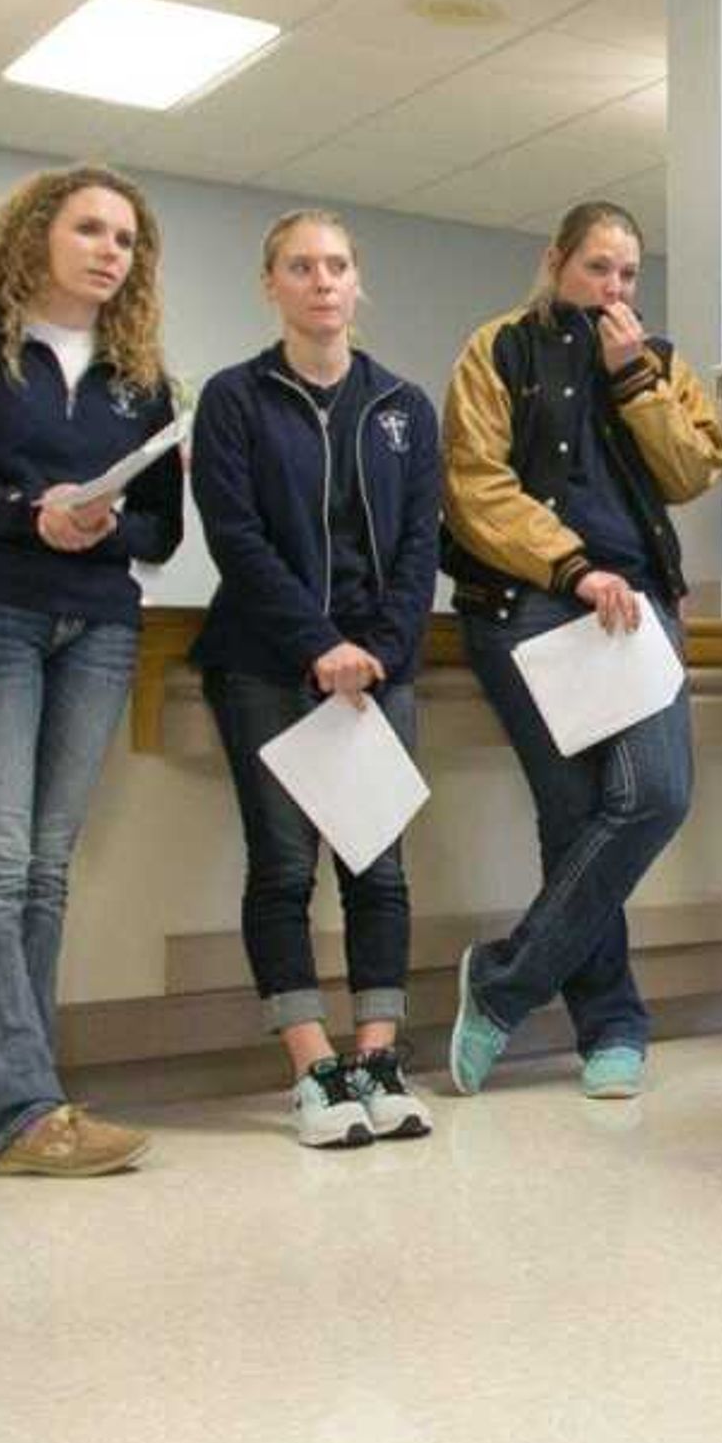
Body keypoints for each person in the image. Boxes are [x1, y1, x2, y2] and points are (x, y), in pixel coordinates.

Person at [0, 164, 185, 1179]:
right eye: (91, 228)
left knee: (46, 868)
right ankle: (20, 1107)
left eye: (127, 239)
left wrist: (95, 522)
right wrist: (27, 513)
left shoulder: (142, 382)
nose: (110, 251)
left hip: (97, 622)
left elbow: (161, 530)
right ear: (35, 234)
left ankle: (15, 1105)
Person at [439, 201, 722, 1098]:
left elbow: (693, 470)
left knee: (656, 796)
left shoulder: (660, 362)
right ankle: (612, 1024)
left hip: (638, 608)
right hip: (526, 605)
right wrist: (571, 568)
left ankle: (502, 983)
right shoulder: (496, 348)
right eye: (598, 267)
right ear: (555, 260)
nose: (614, 288)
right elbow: (474, 486)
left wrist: (633, 378)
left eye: (629, 274)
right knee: (572, 820)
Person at [187, 208, 441, 1148]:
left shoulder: (405, 407)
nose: (322, 281)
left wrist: (376, 647)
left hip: (379, 672)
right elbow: (235, 537)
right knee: (284, 868)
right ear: (272, 285)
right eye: (301, 266)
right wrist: (315, 644)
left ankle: (378, 1057)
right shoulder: (233, 400)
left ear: (357, 281)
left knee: (381, 870)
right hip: (265, 663)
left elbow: (421, 546)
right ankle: (312, 1068)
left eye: (337, 265)